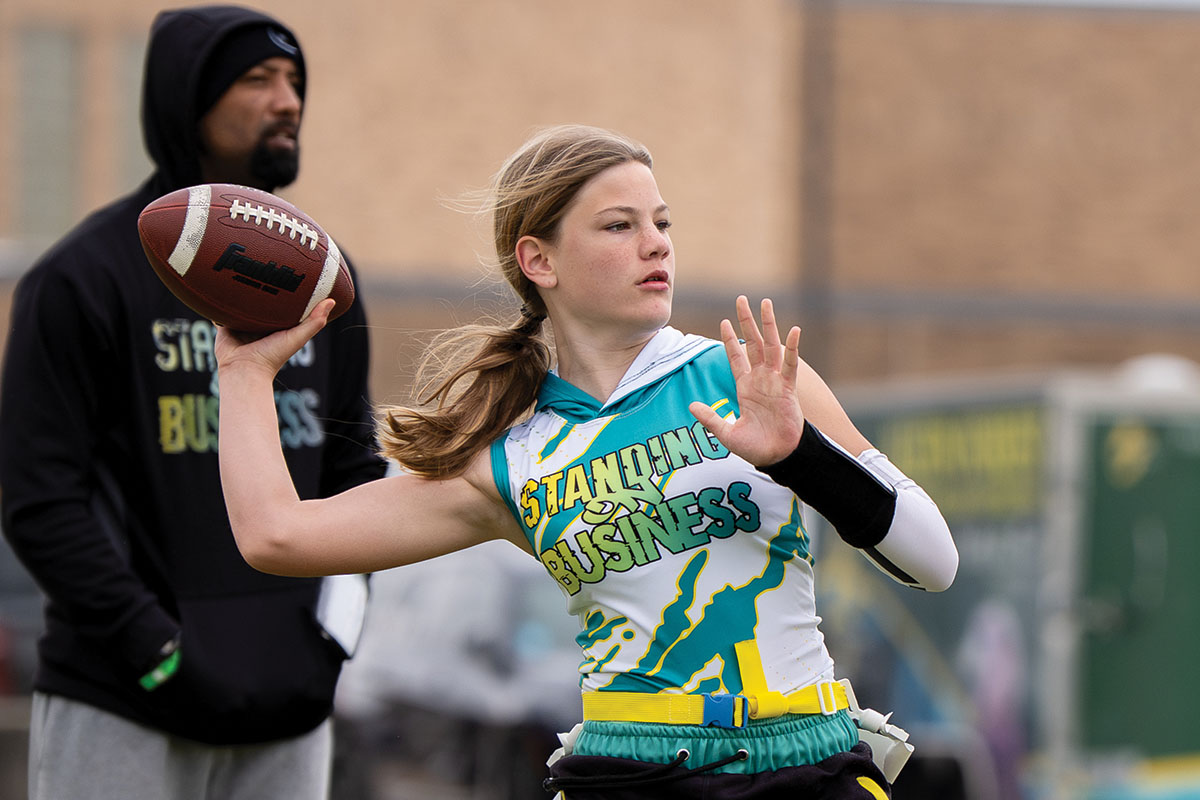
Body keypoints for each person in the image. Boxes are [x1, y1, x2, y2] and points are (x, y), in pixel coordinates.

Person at [214, 124, 958, 799]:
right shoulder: (511, 459)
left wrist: (801, 456)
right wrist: (245, 376)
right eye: (619, 225)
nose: (656, 244)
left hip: (802, 763)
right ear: (538, 260)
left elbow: (934, 561)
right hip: (627, 774)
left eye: (661, 223)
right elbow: (275, 536)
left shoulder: (749, 379)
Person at [0, 6, 386, 800]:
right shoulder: (82, 278)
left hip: (290, 706)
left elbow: (356, 473)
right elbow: (40, 500)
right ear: (188, 100)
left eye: (295, 81)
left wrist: (333, 639)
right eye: (258, 79)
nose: (288, 100)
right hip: (124, 701)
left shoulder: (322, 283)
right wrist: (153, 649)